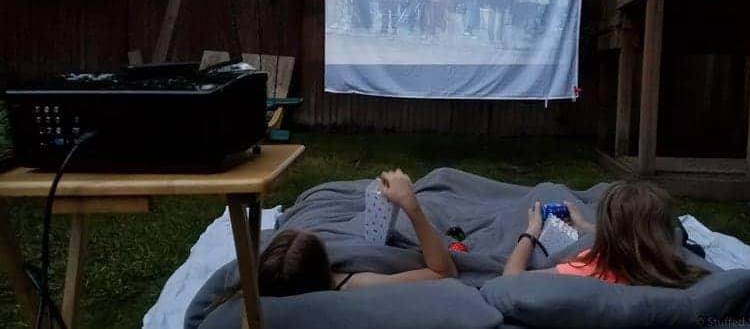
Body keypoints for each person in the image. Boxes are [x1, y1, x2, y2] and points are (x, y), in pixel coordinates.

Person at [224, 169, 458, 300]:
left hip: (318, 211)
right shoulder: (353, 284)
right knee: (442, 177)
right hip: (363, 235)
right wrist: (410, 205)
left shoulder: (263, 278)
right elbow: (444, 272)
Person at [502, 180, 708, 287]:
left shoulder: (589, 269)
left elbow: (510, 280)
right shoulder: (671, 265)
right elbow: (634, 237)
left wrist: (531, 231)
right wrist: (584, 225)